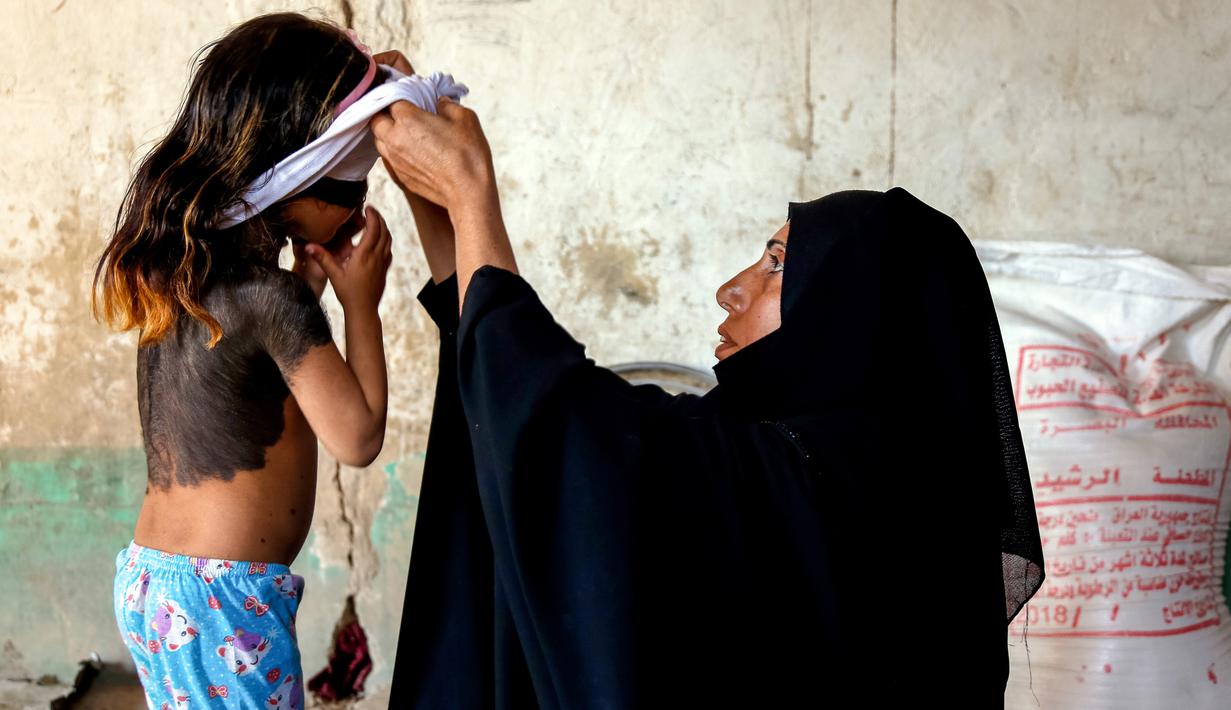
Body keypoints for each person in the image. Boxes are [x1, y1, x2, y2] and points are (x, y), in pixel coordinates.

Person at [378, 87, 1045, 706]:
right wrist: (439, 211)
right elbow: (526, 423)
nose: (732, 288)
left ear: (853, 315)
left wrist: (469, 196)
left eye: (778, 265)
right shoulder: (801, 457)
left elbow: (570, 442)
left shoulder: (836, 483)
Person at [94, 14, 397, 708]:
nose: (361, 207)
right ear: (301, 180)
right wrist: (360, 304)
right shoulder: (273, 299)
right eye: (351, 189)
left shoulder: (184, 278)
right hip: (223, 600)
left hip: (150, 582)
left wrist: (314, 285)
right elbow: (358, 436)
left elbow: (259, 374)